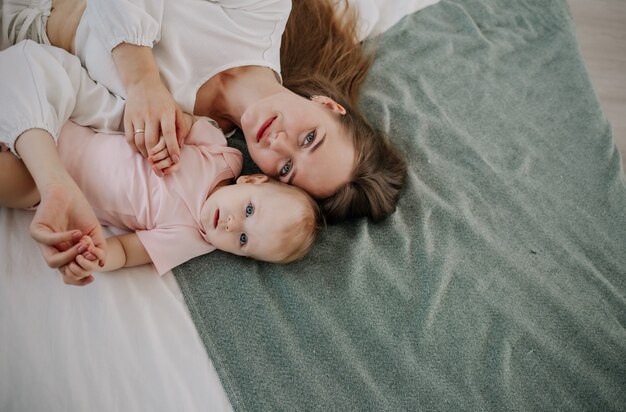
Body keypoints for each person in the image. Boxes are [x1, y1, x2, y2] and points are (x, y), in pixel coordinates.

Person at [2, 0, 407, 221]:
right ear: (328, 105)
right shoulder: (259, 14)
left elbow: (73, 94)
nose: (280, 145)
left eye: (286, 168)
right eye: (309, 138)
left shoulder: (196, 143)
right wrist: (143, 79)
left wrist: (128, 127)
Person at [0, 40, 320, 285]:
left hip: (42, 184)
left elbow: (126, 251)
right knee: (28, 85)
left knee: (12, 182)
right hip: (69, 123)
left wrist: (97, 257)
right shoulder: (223, 155)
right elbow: (180, 119)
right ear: (252, 181)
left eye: (243, 240)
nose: (232, 224)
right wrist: (168, 138)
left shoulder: (191, 239)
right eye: (249, 211)